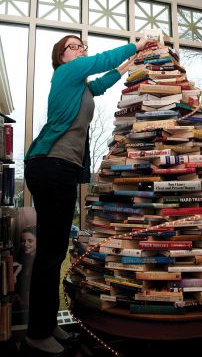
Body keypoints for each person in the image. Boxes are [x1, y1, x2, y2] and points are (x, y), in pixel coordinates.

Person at [22, 35, 152, 356]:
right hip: (50, 164)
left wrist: (130, 63)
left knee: (54, 250)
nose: (82, 51)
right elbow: (99, 62)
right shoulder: (66, 73)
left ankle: (46, 323)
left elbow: (104, 80)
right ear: (62, 56)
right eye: (74, 46)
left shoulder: (81, 87)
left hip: (60, 169)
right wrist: (136, 45)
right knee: (51, 254)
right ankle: (37, 334)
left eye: (83, 47)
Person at [15, 226, 37, 309]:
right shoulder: (22, 258)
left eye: (30, 241)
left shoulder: (42, 263)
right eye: (23, 241)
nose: (25, 244)